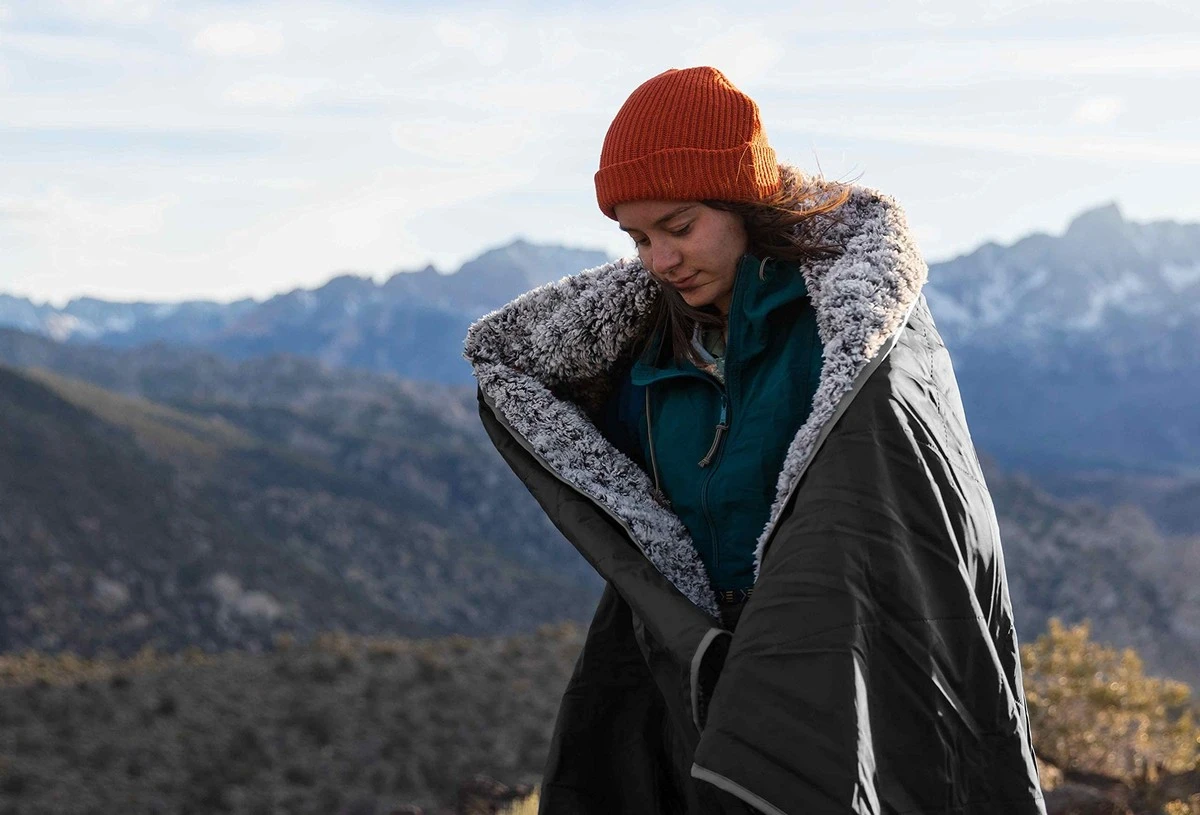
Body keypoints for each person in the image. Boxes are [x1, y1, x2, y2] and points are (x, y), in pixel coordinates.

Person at [464, 66, 1046, 815]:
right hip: (700, 693)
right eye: (639, 238)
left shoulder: (850, 342)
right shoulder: (641, 362)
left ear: (743, 201)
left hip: (841, 680)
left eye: (680, 227)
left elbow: (910, 523)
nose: (661, 260)